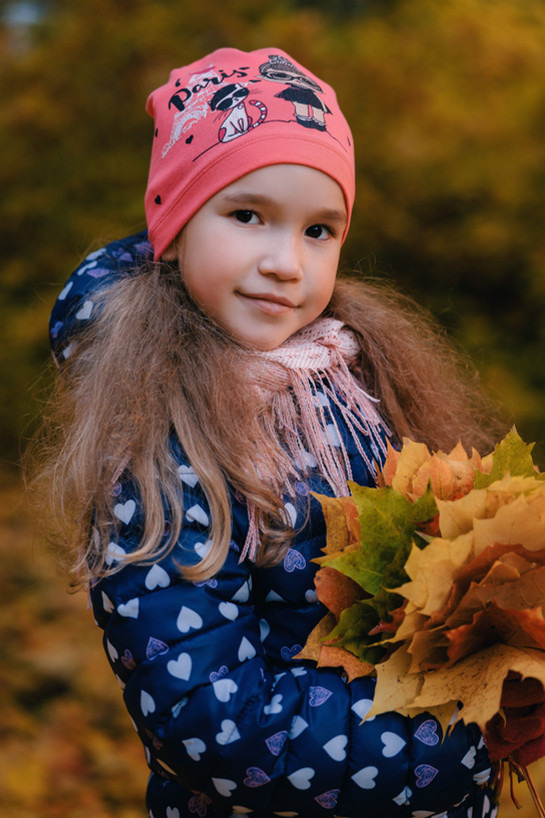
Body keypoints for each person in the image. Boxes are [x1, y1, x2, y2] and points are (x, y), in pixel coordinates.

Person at [38, 47, 502, 817]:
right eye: (247, 215)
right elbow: (209, 722)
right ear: (176, 225)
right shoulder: (160, 429)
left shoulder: (355, 376)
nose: (286, 262)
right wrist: (456, 740)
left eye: (319, 230)